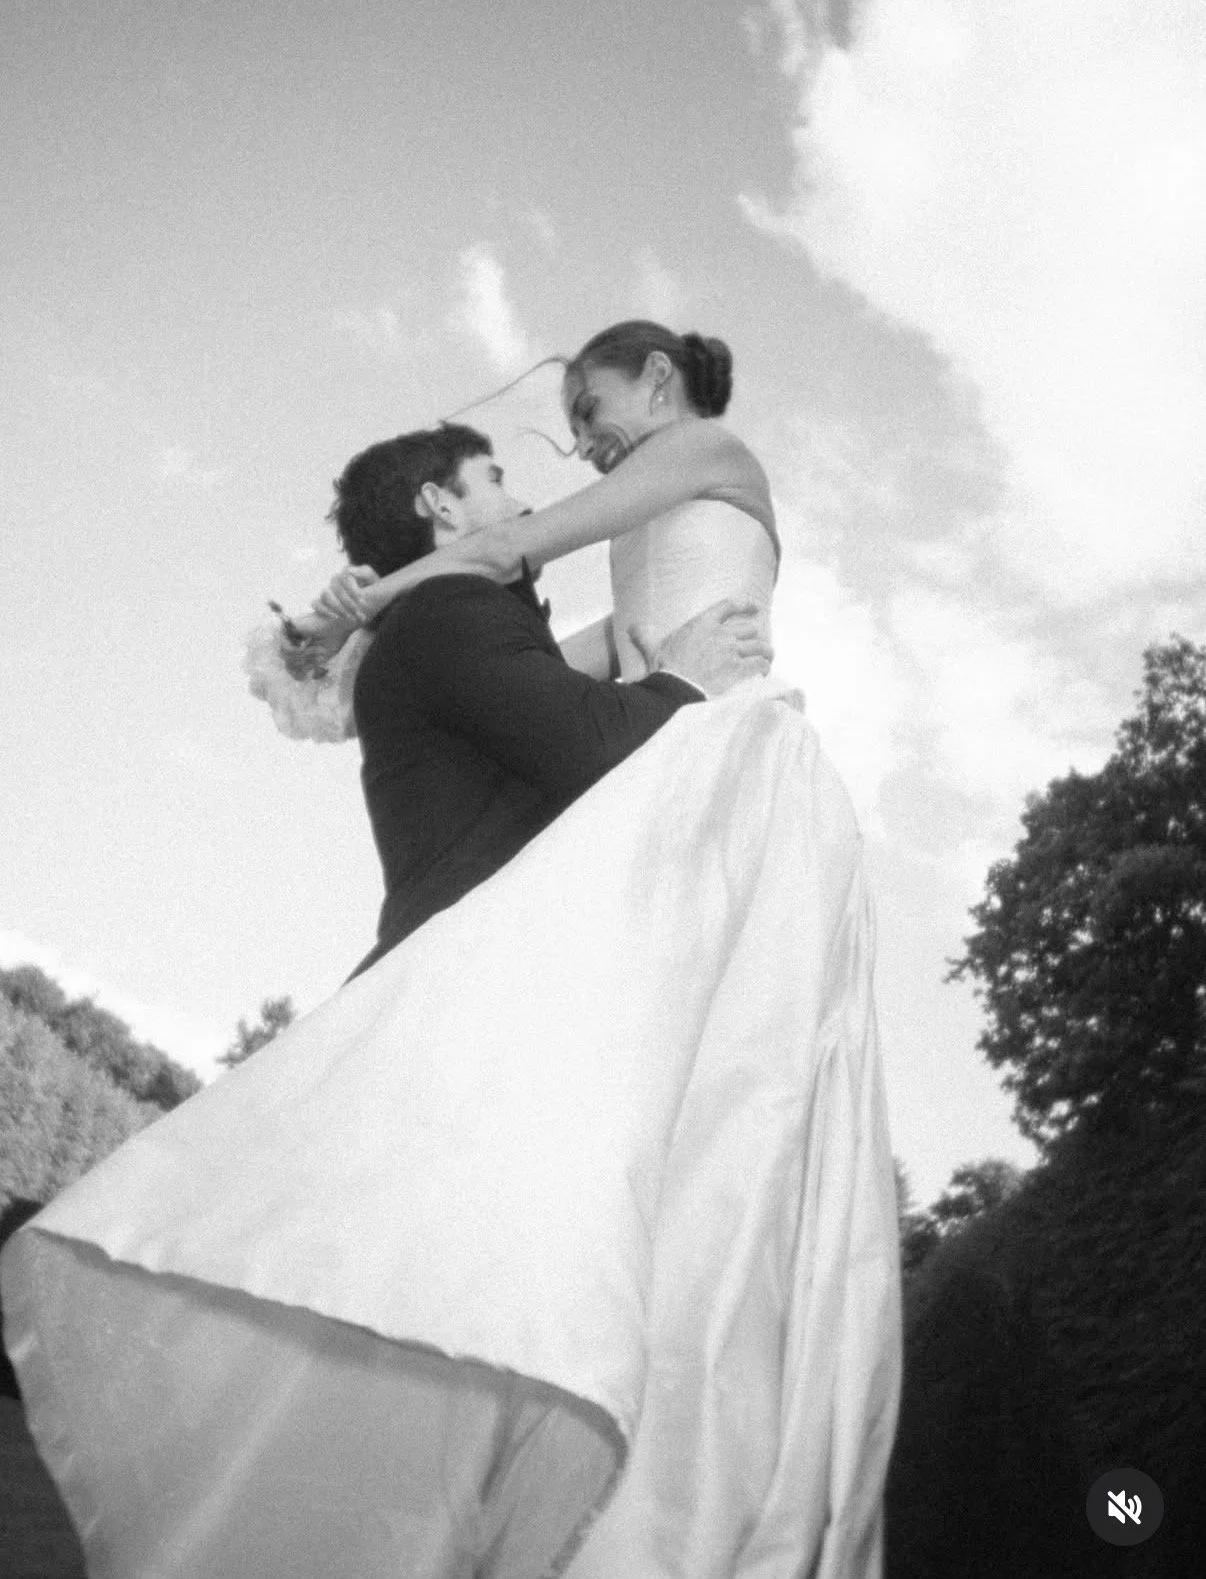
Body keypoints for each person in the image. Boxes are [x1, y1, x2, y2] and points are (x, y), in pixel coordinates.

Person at [2, 322, 902, 1579]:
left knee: (725, 1125)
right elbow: (576, 667)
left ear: (658, 381)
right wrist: (364, 624)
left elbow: (517, 566)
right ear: (439, 500)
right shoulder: (500, 603)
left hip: (729, 776)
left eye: (590, 408)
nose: (575, 445)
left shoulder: (705, 447)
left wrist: (371, 600)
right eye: (550, 436)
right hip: (666, 780)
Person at [324, 421, 771, 975]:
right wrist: (684, 680)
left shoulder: (436, 622)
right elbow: (590, 743)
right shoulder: (447, 605)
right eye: (494, 480)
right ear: (440, 505)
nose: (524, 504)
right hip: (462, 971)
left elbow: (594, 660)